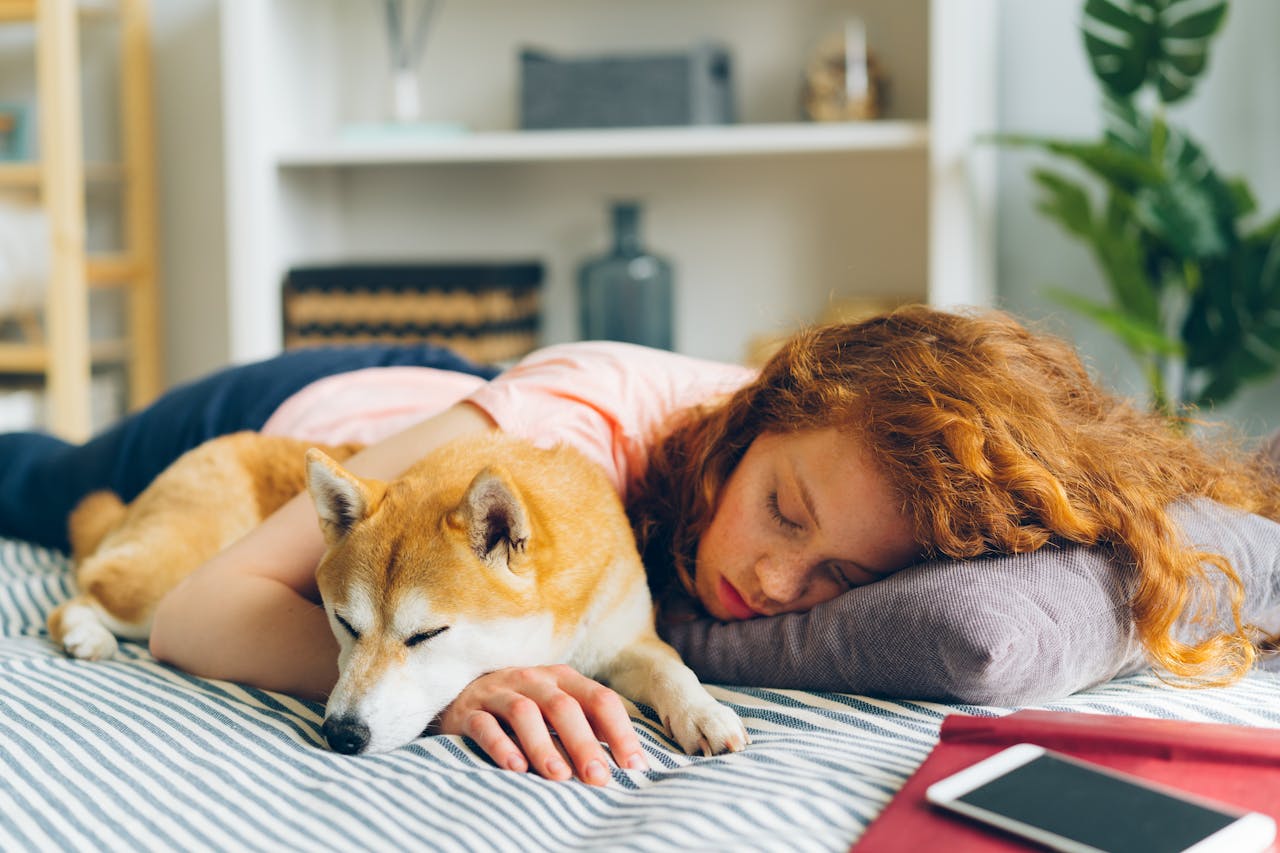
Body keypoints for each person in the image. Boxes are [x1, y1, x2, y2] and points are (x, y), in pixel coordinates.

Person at [3, 305, 1278, 786]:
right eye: (782, 512)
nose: (776, 583)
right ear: (755, 417)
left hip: (480, 452)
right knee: (44, 476)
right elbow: (200, 610)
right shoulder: (581, 412)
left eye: (837, 576)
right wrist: (452, 686)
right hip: (308, 429)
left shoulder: (860, 474)